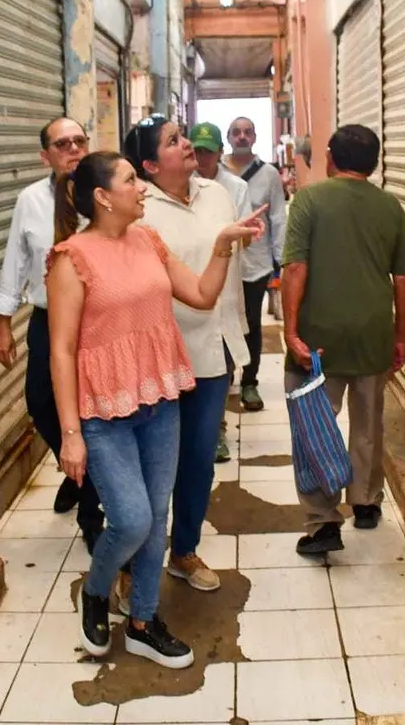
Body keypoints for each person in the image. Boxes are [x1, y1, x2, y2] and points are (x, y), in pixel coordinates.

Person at [48, 151, 264, 667]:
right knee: (131, 519)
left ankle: (145, 620)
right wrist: (70, 433)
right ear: (102, 197)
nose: (142, 187)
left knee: (157, 518)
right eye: (130, 180)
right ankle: (99, 591)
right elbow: (61, 350)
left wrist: (222, 247)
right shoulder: (70, 258)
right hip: (103, 412)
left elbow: (202, 294)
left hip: (159, 400)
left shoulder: (148, 240)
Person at [129, 117, 262, 595]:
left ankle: (183, 550)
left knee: (199, 460)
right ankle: (131, 564)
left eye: (181, 136)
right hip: (159, 358)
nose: (186, 145)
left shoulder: (217, 194)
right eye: (172, 142)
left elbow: (228, 261)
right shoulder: (138, 210)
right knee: (152, 465)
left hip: (214, 348)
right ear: (148, 164)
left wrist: (246, 238)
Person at [280, 125, 405, 556]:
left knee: (314, 425)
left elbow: (295, 269)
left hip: (319, 335)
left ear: (330, 158)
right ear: (373, 163)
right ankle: (366, 502)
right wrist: (399, 336)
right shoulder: (390, 206)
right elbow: (403, 279)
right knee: (368, 421)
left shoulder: (309, 200)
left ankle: (323, 522)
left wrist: (290, 330)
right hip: (373, 329)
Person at [0, 117, 105, 553]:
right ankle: (77, 471)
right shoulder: (31, 200)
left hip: (97, 321)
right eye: (62, 144)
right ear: (46, 155)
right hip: (47, 318)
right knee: (40, 403)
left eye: (79, 141)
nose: (73, 149)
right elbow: (16, 260)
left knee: (93, 416)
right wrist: (3, 321)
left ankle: (92, 513)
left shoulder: (101, 193)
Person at [190, 122, 253, 463]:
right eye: (196, 151)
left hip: (226, 285)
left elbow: (245, 232)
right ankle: (199, 429)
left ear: (219, 151)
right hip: (189, 286)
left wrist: (244, 235)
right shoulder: (180, 187)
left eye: (208, 151)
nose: (202, 158)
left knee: (224, 363)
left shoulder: (234, 187)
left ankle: (218, 429)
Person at [222, 116, 287, 412]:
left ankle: (250, 380)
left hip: (255, 262)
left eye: (247, 132)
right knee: (221, 322)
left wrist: (281, 260)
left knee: (251, 323)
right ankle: (224, 377)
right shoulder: (213, 171)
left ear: (255, 137)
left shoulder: (269, 174)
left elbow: (277, 218)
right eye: (236, 132)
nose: (242, 137)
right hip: (221, 262)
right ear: (228, 137)